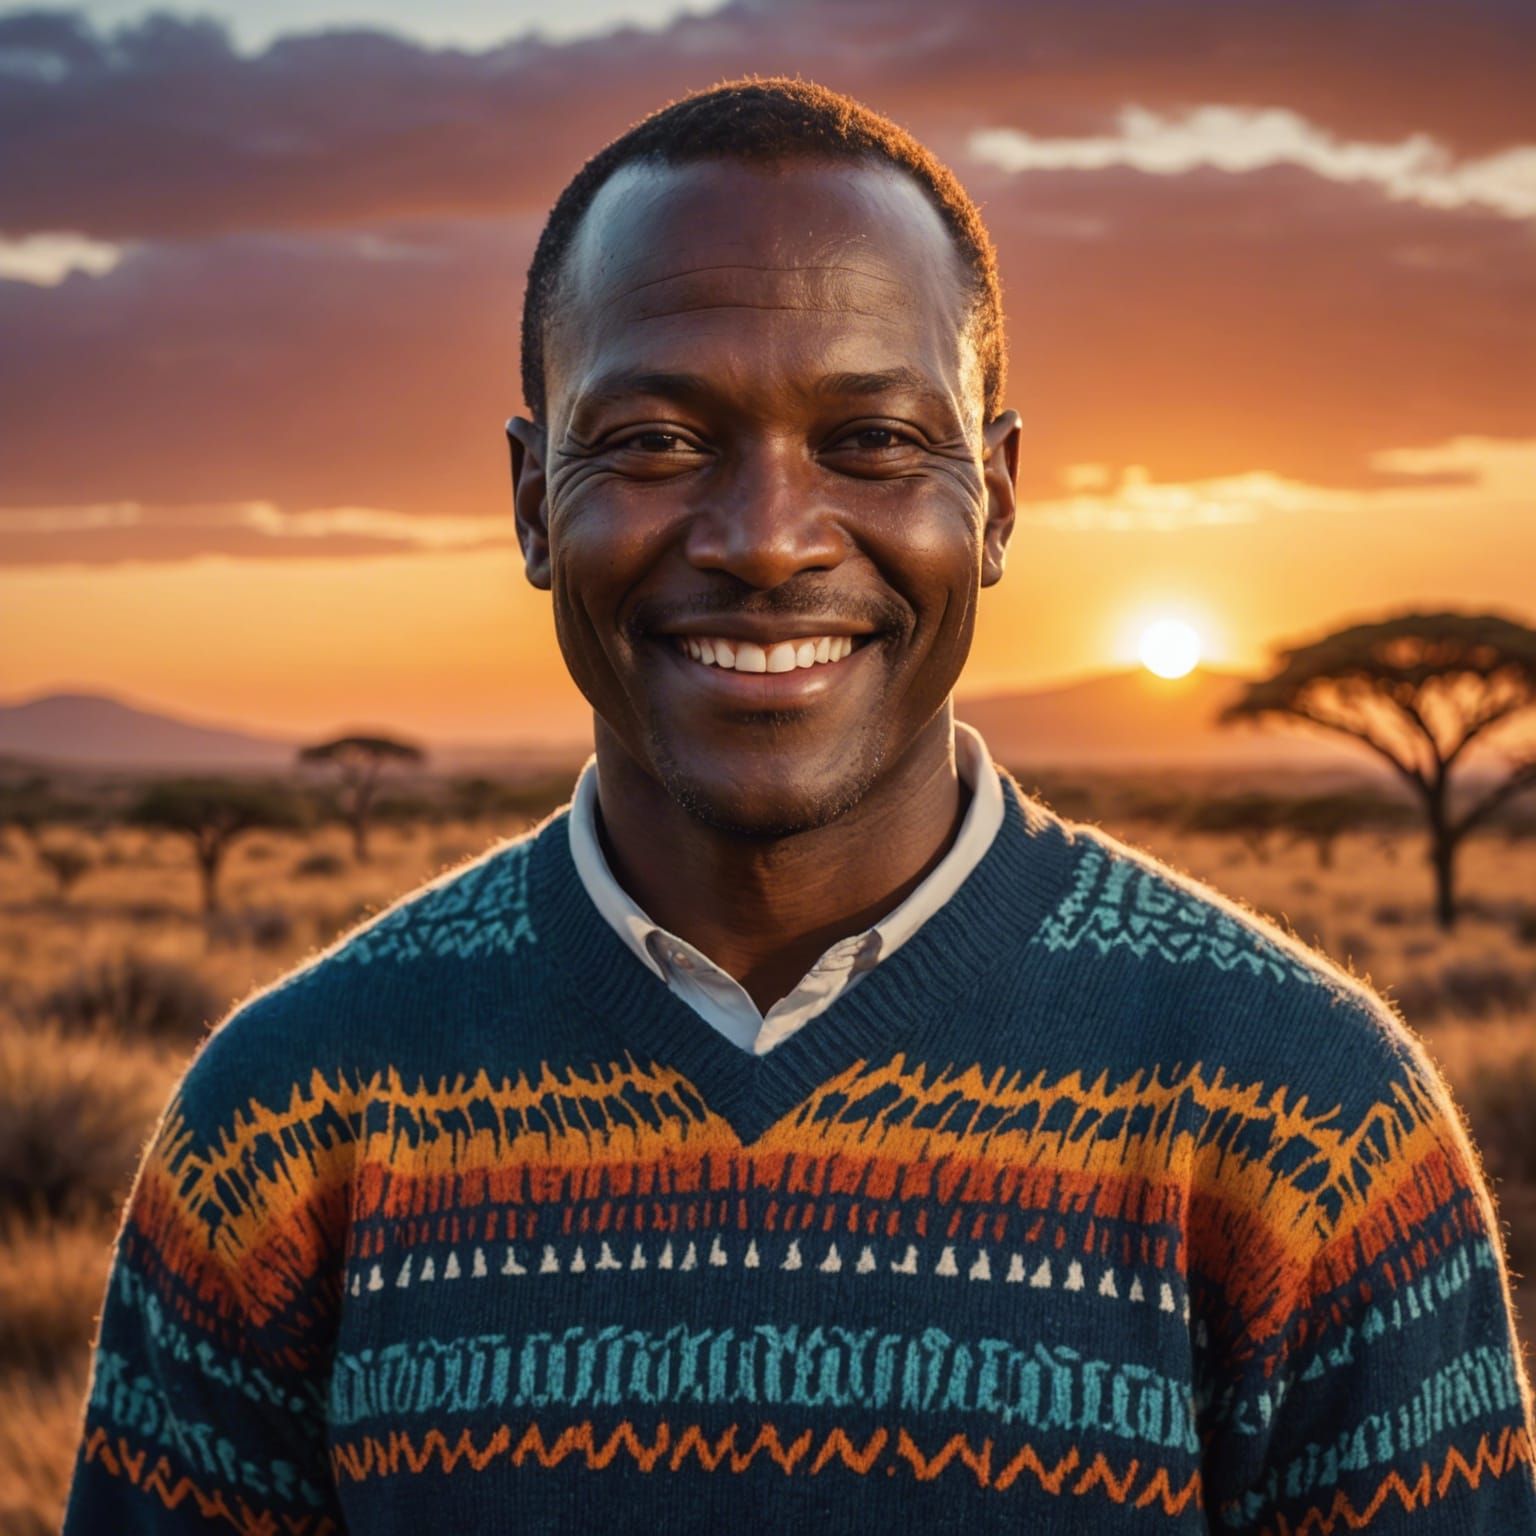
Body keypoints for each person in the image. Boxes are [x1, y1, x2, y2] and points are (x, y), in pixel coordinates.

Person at [62, 77, 1536, 1534]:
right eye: (653, 441)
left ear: (1000, 501)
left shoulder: (1312, 1125)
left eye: (874, 442)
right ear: (529, 502)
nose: (767, 541)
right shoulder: (285, 1124)